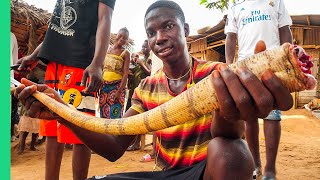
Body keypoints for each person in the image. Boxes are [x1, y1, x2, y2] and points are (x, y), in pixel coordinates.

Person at [15, 1, 294, 179]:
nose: (159, 37)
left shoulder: (215, 74)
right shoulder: (146, 88)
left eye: (168, 26)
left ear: (185, 29)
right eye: (151, 32)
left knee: (230, 153)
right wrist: (63, 113)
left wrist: (232, 116)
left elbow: (230, 138)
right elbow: (114, 148)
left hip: (205, 173)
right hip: (167, 175)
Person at [16, 1, 116, 180]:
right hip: (54, 64)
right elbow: (56, 32)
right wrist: (33, 56)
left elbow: (105, 18)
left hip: (79, 63)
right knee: (52, 127)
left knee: (79, 129)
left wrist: (98, 63)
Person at [224, 0, 293, 179]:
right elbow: (230, 38)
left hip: (272, 62)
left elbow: (285, 30)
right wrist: (230, 65)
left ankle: (270, 170)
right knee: (249, 116)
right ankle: (255, 165)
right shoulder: (235, 5)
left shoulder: (275, 1)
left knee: (273, 115)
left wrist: (287, 58)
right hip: (245, 66)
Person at [125, 41, 152, 153]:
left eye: (145, 46)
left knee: (139, 119)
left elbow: (150, 72)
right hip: (134, 93)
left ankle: (136, 143)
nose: (143, 48)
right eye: (142, 46)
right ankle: (132, 142)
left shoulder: (148, 61)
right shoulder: (138, 61)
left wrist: (141, 64)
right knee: (131, 119)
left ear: (150, 48)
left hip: (144, 95)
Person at [99, 27, 130, 119]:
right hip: (104, 86)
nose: (121, 39)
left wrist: (119, 91)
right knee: (103, 113)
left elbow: (125, 73)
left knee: (115, 114)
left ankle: (114, 134)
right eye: (120, 36)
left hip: (117, 87)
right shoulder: (107, 49)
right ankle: (103, 134)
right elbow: (101, 67)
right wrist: (99, 84)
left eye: (124, 38)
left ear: (127, 40)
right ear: (116, 35)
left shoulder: (126, 53)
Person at [11, 32, 20, 142]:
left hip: (13, 83)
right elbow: (15, 63)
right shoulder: (11, 36)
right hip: (10, 83)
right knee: (12, 111)